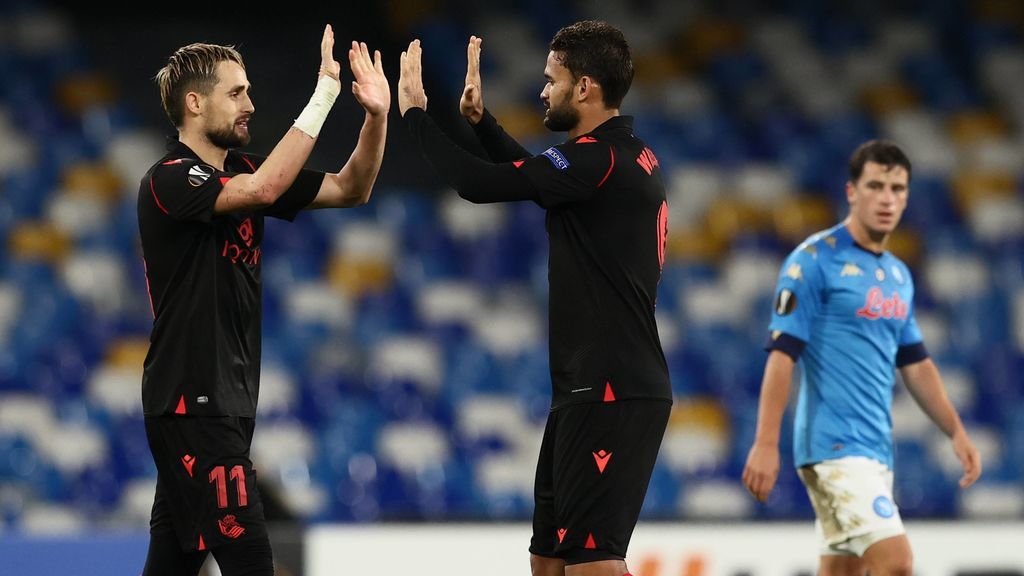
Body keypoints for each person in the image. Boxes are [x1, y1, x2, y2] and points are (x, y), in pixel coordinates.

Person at [398, 20, 671, 576]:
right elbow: (535, 178)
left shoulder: (598, 161)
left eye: (552, 80)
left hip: (613, 389)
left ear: (585, 88)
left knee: (593, 563)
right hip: (585, 387)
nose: (543, 91)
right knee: (547, 562)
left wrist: (414, 116)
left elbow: (480, 185)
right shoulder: (616, 157)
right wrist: (481, 122)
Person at [137, 25, 389, 576]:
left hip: (221, 404)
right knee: (252, 561)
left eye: (249, 90)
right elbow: (265, 192)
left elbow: (353, 189)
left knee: (172, 565)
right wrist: (324, 93)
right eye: (236, 93)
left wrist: (375, 117)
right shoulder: (171, 179)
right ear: (194, 103)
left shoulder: (245, 171)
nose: (251, 103)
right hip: (193, 404)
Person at [741, 140, 982, 576]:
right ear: (852, 192)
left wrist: (956, 431)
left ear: (907, 196)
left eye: (897, 188)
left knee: (842, 572)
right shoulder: (813, 260)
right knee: (897, 562)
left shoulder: (897, 274)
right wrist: (765, 442)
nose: (887, 198)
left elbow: (916, 363)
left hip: (875, 450)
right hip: (833, 447)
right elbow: (782, 355)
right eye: (876, 186)